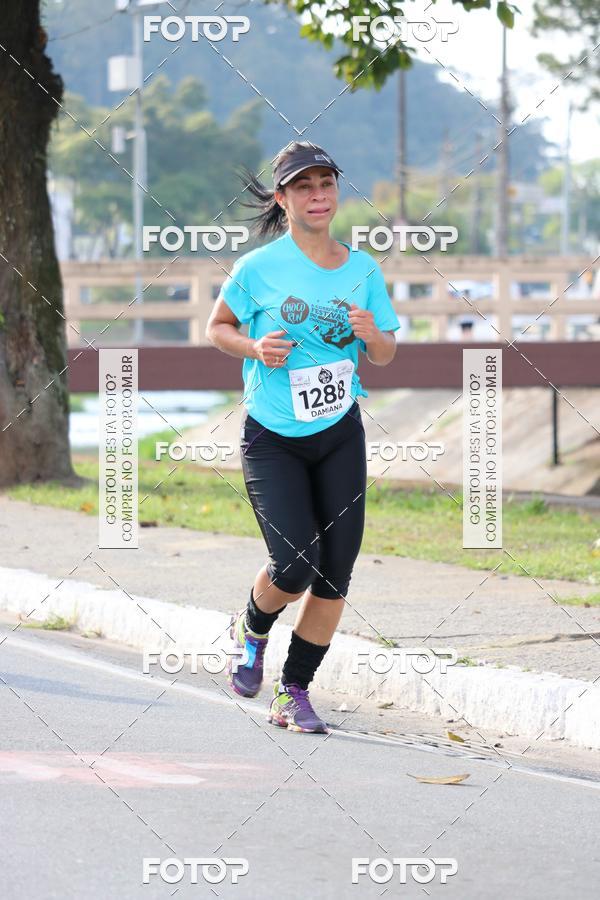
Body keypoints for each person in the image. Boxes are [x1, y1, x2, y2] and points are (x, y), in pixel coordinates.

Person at [205, 141, 400, 733]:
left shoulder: (364, 270)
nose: (318, 196)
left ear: (336, 192)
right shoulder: (258, 268)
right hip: (274, 438)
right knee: (294, 565)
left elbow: (387, 355)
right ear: (282, 199)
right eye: (304, 187)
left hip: (340, 432)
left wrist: (371, 335)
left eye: (326, 184)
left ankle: (293, 691)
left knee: (335, 571)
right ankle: (254, 629)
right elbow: (217, 328)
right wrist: (254, 347)